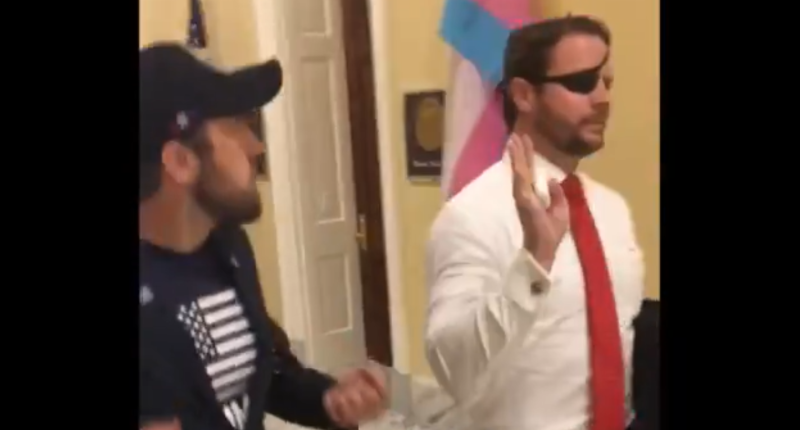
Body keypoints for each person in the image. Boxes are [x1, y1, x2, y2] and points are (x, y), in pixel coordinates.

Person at [139, 43, 388, 430]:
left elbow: (265, 369)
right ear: (181, 161)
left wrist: (329, 399)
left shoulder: (228, 247)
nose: (256, 146)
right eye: (235, 126)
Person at [425, 16, 645, 430]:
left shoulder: (612, 210)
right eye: (582, 82)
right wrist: (534, 261)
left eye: (606, 83)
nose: (602, 99)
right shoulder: (472, 217)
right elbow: (455, 368)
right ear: (524, 95)